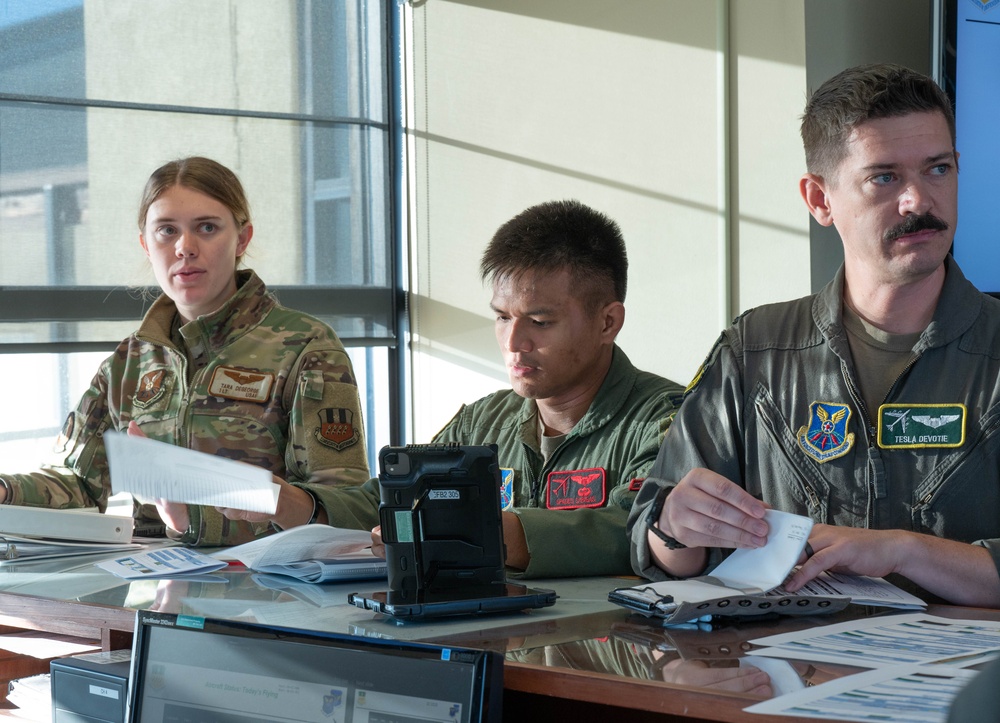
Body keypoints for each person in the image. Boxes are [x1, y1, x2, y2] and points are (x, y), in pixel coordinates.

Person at [628, 63, 1000, 607]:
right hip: (786, 674)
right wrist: (674, 527)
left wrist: (902, 551)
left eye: (938, 169)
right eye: (885, 177)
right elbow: (656, 547)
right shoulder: (754, 349)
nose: (919, 200)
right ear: (819, 200)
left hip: (965, 684)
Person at [224, 200, 685, 577]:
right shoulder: (483, 421)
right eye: (502, 317)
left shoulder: (669, 420)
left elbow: (638, 526)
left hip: (613, 664)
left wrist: (487, 530)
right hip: (492, 647)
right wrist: (290, 502)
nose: (513, 342)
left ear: (608, 322)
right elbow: (389, 500)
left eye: (540, 322)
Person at [0, 157, 369, 546]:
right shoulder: (129, 362)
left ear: (242, 239)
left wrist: (191, 517)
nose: (185, 248)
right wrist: (5, 490)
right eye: (166, 231)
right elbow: (78, 483)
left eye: (206, 228)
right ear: (146, 243)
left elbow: (345, 509)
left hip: (273, 592)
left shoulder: (306, 347)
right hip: (158, 586)